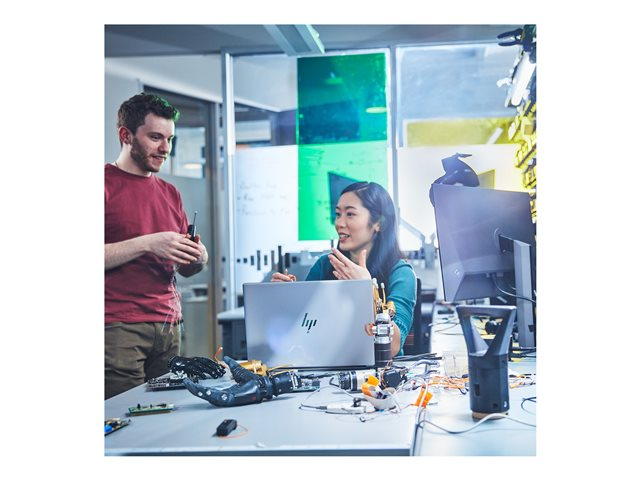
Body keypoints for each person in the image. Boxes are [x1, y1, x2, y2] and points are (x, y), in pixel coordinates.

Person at [104, 93, 208, 399]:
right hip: (118, 328)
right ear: (126, 136)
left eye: (170, 139)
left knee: (165, 414)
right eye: (155, 137)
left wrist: (198, 258)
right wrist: (149, 243)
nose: (166, 148)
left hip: (169, 328)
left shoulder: (170, 193)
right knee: (125, 419)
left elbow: (185, 270)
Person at [272, 181, 416, 356]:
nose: (339, 223)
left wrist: (366, 290)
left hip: (380, 370)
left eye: (350, 214)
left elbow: (393, 346)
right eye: (338, 214)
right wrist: (285, 299)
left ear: (378, 223)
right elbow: (301, 330)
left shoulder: (402, 273)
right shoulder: (325, 265)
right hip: (327, 366)